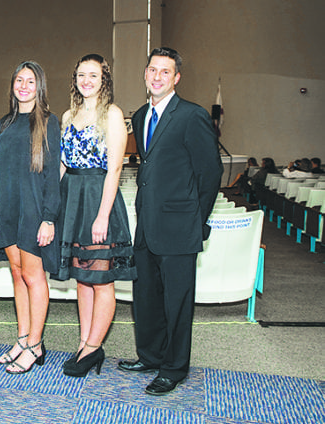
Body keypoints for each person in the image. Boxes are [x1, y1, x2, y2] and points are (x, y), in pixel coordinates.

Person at [118, 47, 223, 395]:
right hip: (147, 224)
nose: (157, 77)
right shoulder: (139, 116)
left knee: (177, 301)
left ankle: (174, 367)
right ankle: (149, 355)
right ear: (145, 75)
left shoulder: (191, 116)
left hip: (180, 227)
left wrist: (198, 221)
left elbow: (210, 173)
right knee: (145, 295)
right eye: (152, 70)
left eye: (165, 71)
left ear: (176, 78)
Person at [50, 54, 136, 378]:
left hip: (99, 197)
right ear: (75, 79)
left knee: (101, 280)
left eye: (94, 76)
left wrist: (102, 216)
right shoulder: (67, 115)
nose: (87, 80)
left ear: (104, 81)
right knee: (82, 280)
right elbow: (62, 164)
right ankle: (85, 342)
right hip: (72, 198)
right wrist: (51, 208)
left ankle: (94, 346)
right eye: (82, 75)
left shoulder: (112, 114)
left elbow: (114, 168)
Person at [0, 61, 61, 374]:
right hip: (9, 208)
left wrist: (48, 218)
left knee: (35, 277)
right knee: (17, 275)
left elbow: (51, 175)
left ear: (40, 87)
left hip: (33, 209)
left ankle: (36, 344)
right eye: (18, 80)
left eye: (30, 81)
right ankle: (22, 339)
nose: (23, 85)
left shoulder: (48, 122)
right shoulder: (5, 122)